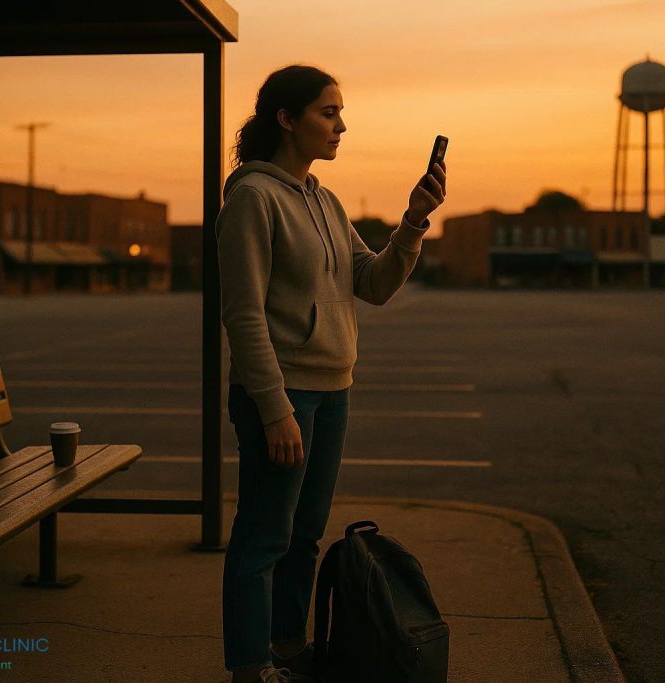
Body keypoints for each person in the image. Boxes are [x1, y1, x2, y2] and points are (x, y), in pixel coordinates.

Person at [217, 64, 446, 683]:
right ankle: (248, 665)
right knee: (264, 534)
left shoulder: (324, 199)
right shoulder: (252, 198)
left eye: (341, 113)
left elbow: (371, 284)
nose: (340, 126)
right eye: (328, 112)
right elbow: (242, 314)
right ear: (286, 120)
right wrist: (274, 407)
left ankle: (286, 647)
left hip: (333, 388)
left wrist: (414, 221)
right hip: (283, 392)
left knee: (305, 534)